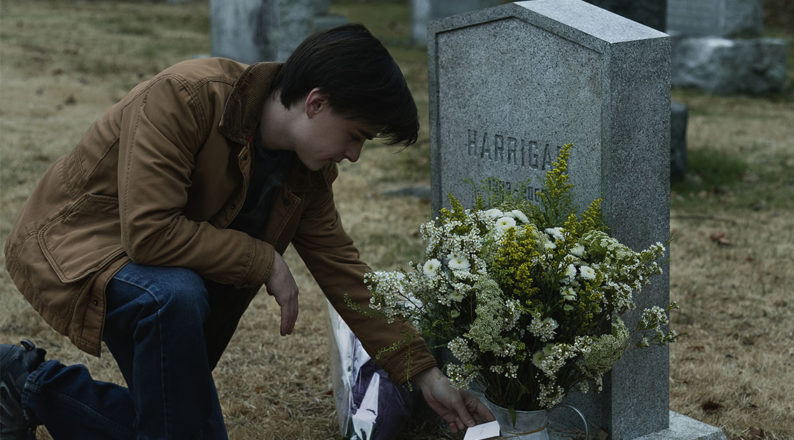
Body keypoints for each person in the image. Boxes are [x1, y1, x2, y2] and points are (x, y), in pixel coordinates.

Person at [0, 24, 492, 439]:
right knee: (175, 297)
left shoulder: (308, 174)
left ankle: (26, 384)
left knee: (169, 425)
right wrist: (265, 260)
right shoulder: (188, 95)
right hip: (76, 242)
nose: (353, 155)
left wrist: (425, 374)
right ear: (316, 103)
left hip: (160, 276)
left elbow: (345, 273)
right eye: (355, 135)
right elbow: (149, 232)